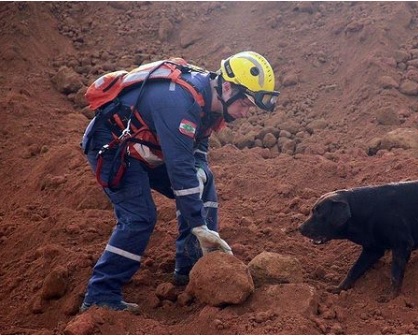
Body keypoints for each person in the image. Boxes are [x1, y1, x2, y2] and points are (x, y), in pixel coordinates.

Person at [79, 51, 279, 313]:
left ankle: (191, 266)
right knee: (140, 217)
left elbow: (198, 146)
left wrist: (199, 170)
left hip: (144, 146)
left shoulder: (213, 101)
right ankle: (100, 294)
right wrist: (199, 225)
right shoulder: (180, 102)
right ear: (227, 86)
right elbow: (178, 168)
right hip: (112, 145)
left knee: (203, 180)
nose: (246, 112)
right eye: (246, 104)